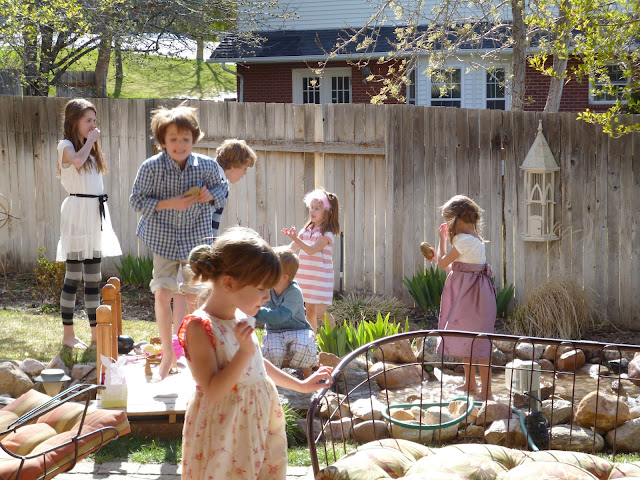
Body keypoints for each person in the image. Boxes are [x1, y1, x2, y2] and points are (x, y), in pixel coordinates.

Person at [178, 227, 332, 480]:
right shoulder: (199, 327)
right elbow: (214, 391)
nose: (267, 297)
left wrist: (301, 386)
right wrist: (244, 352)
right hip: (225, 431)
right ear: (229, 283)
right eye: (262, 289)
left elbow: (258, 365)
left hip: (257, 422)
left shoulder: (240, 316)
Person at [129, 103, 227, 381]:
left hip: (196, 239)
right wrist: (169, 203)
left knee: (196, 296)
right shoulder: (151, 167)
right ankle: (167, 355)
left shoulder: (206, 166)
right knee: (162, 293)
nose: (179, 145)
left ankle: (196, 352)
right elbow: (136, 200)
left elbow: (223, 188)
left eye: (185, 139)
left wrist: (211, 195)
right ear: (163, 141)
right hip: (162, 239)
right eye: (173, 139)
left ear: (194, 139)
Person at [56, 99, 122, 349]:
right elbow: (77, 162)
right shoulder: (66, 146)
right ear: (75, 122)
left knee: (93, 278)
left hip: (94, 213)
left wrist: (91, 143)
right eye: (88, 121)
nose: (94, 125)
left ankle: (95, 335)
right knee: (73, 276)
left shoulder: (90, 150)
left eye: (95, 120)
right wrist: (91, 141)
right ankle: (68, 335)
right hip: (77, 214)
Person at [426, 194, 497, 401]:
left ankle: (487, 391)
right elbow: (455, 269)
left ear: (458, 219)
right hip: (473, 296)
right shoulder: (473, 240)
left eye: (449, 220)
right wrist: (438, 257)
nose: (448, 225)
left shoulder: (465, 241)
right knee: (469, 338)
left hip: (473, 298)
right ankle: (470, 383)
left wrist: (441, 240)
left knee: (479, 343)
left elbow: (443, 264)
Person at [282, 188, 340, 335]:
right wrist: (274, 252)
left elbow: (311, 250)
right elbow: (291, 248)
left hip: (320, 279)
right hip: (306, 278)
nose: (312, 211)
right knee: (309, 311)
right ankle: (312, 341)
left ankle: (335, 339)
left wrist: (295, 238)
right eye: (311, 207)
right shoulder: (306, 230)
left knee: (320, 311)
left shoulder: (327, 234)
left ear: (328, 212)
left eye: (317, 208)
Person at [255, 247, 318, 378]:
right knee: (273, 351)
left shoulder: (294, 292)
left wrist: (255, 311)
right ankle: (273, 380)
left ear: (284, 277)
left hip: (298, 329)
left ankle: (308, 375)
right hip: (274, 331)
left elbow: (282, 316)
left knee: (304, 345)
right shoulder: (266, 287)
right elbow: (254, 297)